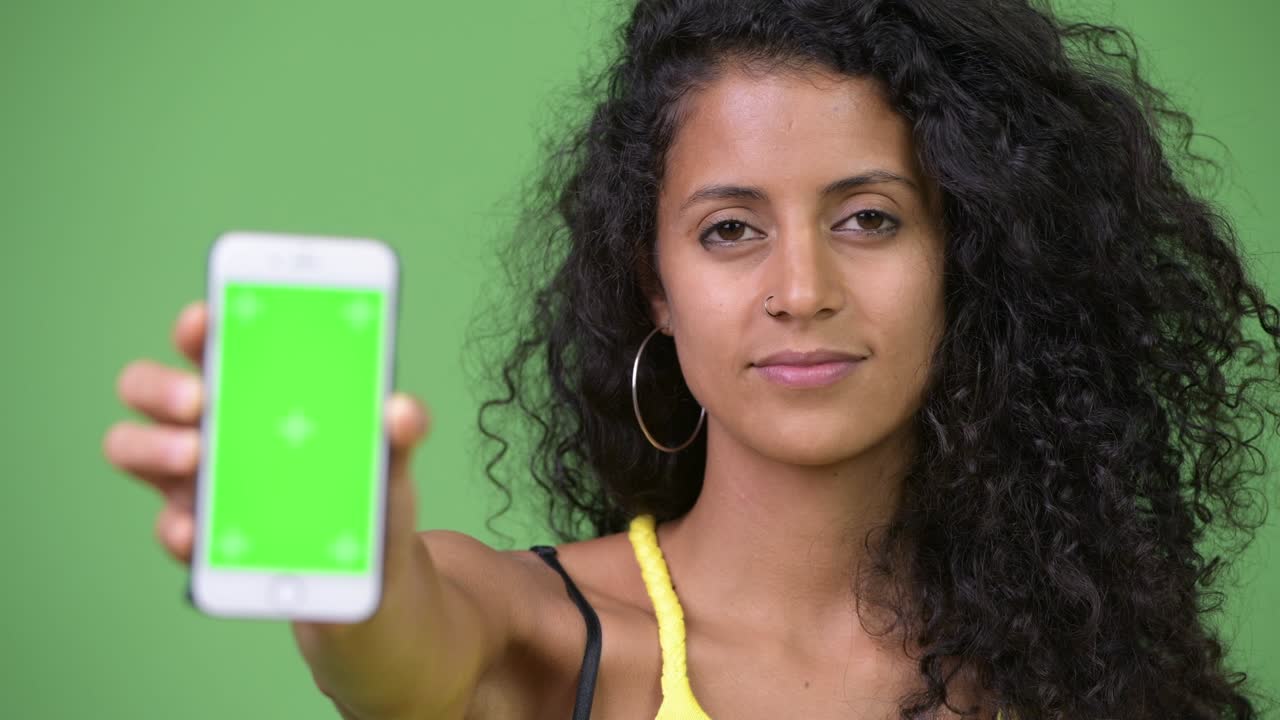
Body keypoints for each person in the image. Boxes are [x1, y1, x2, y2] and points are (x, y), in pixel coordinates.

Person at [103, 0, 1276, 718]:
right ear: (654, 286)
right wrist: (348, 572)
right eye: (729, 230)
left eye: (868, 218)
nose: (801, 290)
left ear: (965, 258)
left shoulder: (1078, 669)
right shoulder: (544, 634)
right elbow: (404, 660)